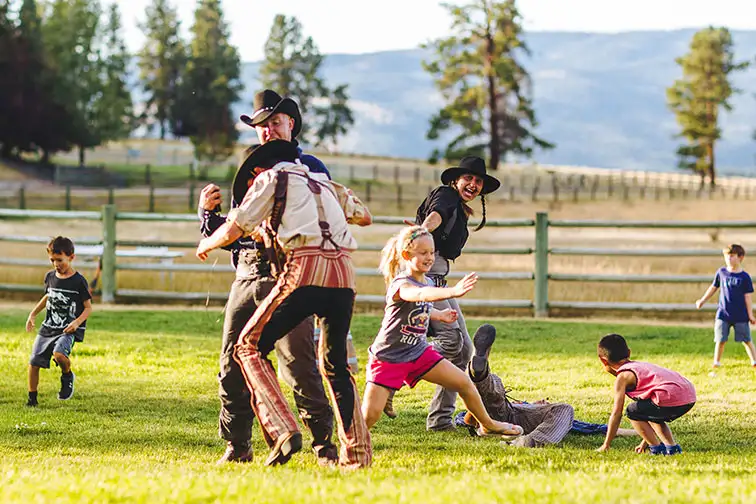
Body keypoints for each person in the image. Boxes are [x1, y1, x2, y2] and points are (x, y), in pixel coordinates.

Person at [196, 139, 373, 469]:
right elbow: (365, 217)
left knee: (247, 347)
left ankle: (283, 430)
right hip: (344, 275)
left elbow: (235, 227)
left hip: (303, 270)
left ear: (262, 168)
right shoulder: (326, 183)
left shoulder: (272, 180)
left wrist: (205, 242)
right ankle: (357, 457)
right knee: (334, 365)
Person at [199, 89, 337, 466]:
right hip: (245, 274)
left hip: (289, 276)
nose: (267, 131)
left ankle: (324, 444)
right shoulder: (250, 171)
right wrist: (208, 220)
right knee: (231, 363)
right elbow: (237, 232)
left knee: (298, 365)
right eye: (261, 125)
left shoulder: (311, 167)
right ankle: (238, 444)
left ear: (291, 124)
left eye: (274, 122)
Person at [360, 225, 523, 439]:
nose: (430, 257)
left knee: (463, 383)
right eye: (423, 253)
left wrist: (439, 315)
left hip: (418, 353)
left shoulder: (426, 279)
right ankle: (350, 442)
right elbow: (420, 295)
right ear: (407, 255)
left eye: (432, 252)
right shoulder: (402, 284)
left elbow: (421, 308)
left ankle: (488, 424)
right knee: (369, 417)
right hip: (389, 357)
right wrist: (453, 291)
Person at [409, 155, 500, 431]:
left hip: (438, 278)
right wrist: (421, 231)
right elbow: (435, 216)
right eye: (468, 179)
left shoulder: (460, 207)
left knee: (464, 350)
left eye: (478, 181)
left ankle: (440, 421)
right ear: (456, 180)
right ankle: (402, 357)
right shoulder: (447, 195)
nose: (473, 184)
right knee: (451, 342)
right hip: (427, 279)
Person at [454, 324, 637, 446]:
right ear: (628, 352)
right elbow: (598, 428)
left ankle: (478, 373)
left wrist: (537, 407)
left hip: (508, 415)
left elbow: (465, 418)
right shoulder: (631, 375)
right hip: (506, 413)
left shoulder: (556, 418)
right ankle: (480, 372)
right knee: (495, 388)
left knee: (563, 409)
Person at [596, 333, 696, 455]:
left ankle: (656, 448)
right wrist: (644, 441)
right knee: (649, 411)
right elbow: (648, 415)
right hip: (689, 395)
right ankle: (672, 448)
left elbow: (617, 413)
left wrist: (606, 445)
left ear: (603, 360)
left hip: (670, 396)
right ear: (629, 352)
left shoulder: (623, 377)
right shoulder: (641, 367)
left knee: (632, 411)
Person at [25, 236, 92, 406]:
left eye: (60, 260)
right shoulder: (49, 277)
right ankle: (32, 399)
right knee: (34, 362)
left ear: (71, 257)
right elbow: (48, 296)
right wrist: (33, 314)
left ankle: (67, 375)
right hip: (48, 328)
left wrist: (77, 323)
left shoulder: (79, 281)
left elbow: (88, 308)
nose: (56, 264)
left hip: (67, 329)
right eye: (52, 260)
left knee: (59, 355)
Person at [695, 244, 756, 370]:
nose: (729, 259)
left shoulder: (744, 277)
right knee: (720, 339)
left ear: (741, 257)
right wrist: (702, 300)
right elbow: (713, 288)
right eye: (727, 256)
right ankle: (716, 362)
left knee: (746, 340)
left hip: (740, 315)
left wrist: (750, 315)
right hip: (723, 314)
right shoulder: (721, 273)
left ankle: (754, 361)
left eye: (732, 256)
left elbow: (748, 297)